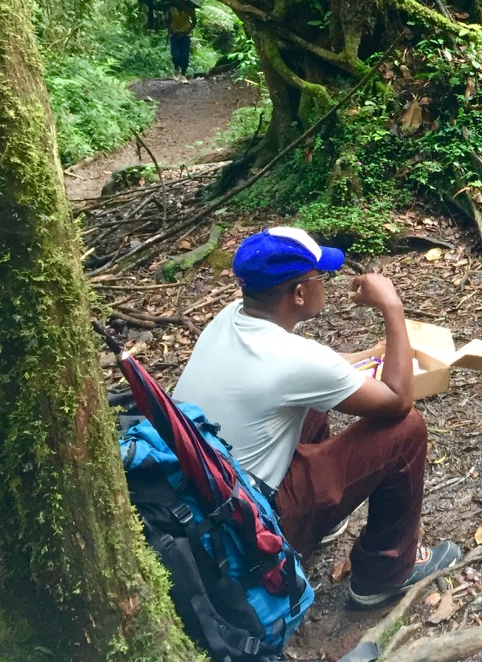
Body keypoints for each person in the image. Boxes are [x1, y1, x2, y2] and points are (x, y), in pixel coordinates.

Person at [173, 226, 461, 607]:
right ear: (299, 293)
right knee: (406, 429)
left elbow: (318, 370)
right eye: (320, 276)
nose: (325, 282)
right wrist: (392, 307)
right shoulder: (294, 361)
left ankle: (323, 522)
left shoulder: (234, 317)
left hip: (210, 498)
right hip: (253, 531)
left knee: (309, 403)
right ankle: (386, 574)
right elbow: (398, 400)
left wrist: (370, 354)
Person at [167, 3, 196, 80]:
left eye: (182, 1)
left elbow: (194, 22)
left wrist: (186, 32)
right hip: (174, 35)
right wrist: (172, 31)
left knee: (185, 55)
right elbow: (168, 22)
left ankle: (183, 74)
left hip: (185, 35)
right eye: (179, 0)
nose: (180, 2)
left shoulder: (190, 9)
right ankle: (176, 68)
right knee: (175, 53)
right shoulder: (171, 9)